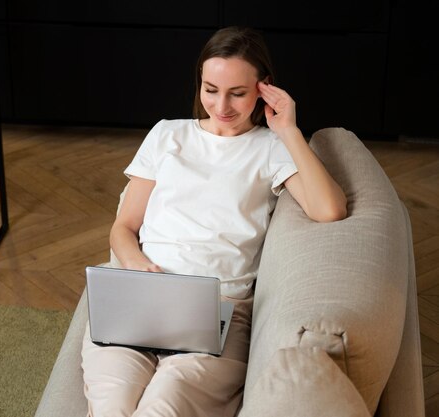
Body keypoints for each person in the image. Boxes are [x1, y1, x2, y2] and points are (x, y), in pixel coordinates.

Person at [81, 26, 347, 417]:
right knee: (111, 407)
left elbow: (331, 209)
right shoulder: (166, 134)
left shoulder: (272, 147)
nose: (221, 105)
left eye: (237, 93)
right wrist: (138, 265)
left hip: (219, 308)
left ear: (263, 88)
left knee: (164, 407)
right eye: (210, 89)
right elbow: (123, 228)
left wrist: (289, 129)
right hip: (141, 296)